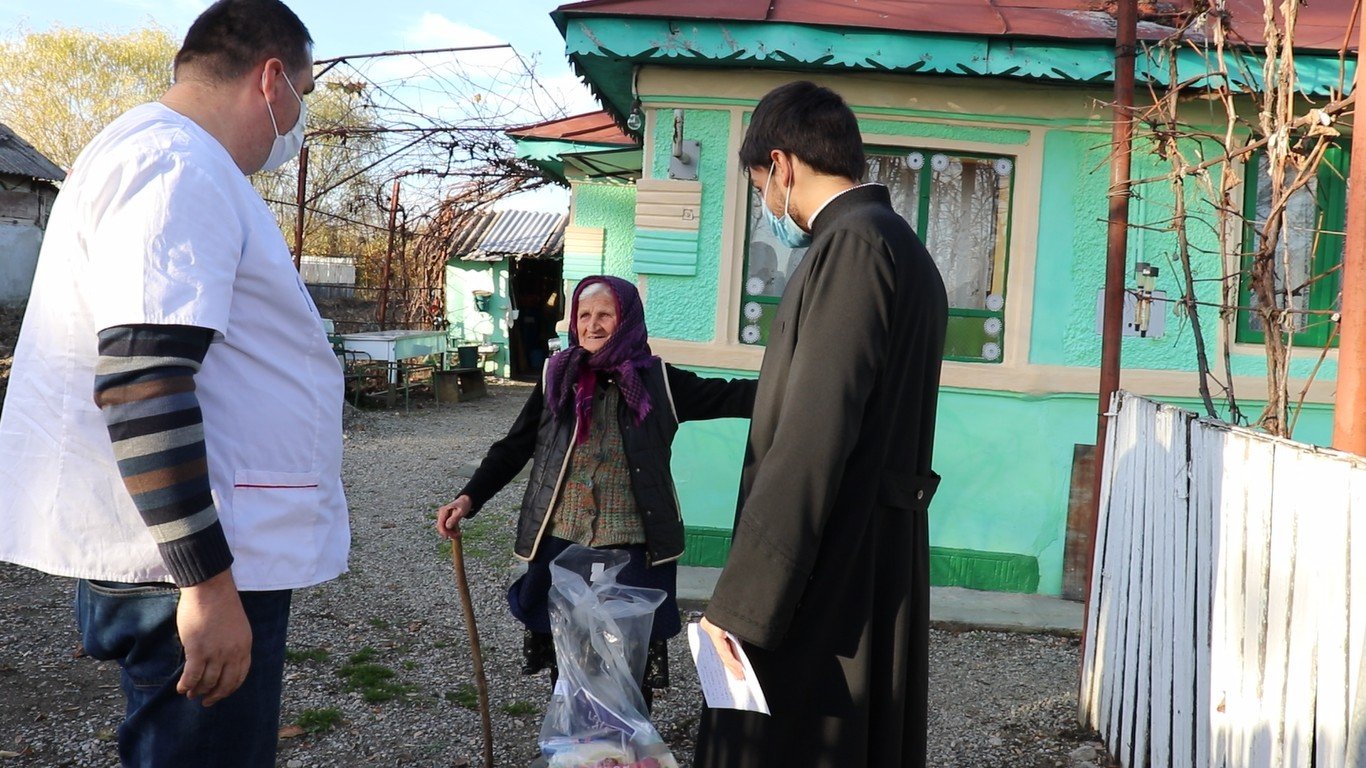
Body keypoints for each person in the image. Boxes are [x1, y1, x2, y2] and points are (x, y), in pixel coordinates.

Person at [0, 2, 347, 765]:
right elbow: (144, 380)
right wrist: (208, 585)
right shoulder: (174, 165)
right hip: (191, 565)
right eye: (307, 93)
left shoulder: (166, 158)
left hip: (189, 553)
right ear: (272, 81)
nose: (299, 122)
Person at [693, 81, 949, 767]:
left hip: (830, 567)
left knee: (790, 743)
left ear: (780, 166)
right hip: (868, 549)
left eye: (758, 187)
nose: (768, 207)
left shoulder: (854, 246)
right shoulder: (901, 247)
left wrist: (741, 605)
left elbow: (813, 434)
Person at [437, 275, 755, 708]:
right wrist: (469, 497)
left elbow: (735, 397)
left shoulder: (659, 382)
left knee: (627, 664)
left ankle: (625, 750)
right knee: (569, 659)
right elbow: (516, 446)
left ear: (626, 320)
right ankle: (574, 748)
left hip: (635, 551)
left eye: (606, 314)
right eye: (584, 315)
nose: (593, 324)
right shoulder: (556, 377)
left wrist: (804, 380)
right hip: (562, 545)